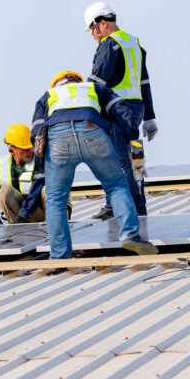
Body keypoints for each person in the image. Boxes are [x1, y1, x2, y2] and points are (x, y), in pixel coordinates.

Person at [31, 71, 158, 259]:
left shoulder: (48, 96)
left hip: (58, 137)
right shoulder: (95, 88)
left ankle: (59, 256)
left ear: (57, 84)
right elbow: (122, 114)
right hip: (92, 130)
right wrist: (135, 145)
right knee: (116, 185)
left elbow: (36, 134)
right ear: (77, 81)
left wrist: (44, 166)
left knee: (56, 198)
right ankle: (130, 235)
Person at [83, 1, 157, 219]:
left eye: (92, 30)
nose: (93, 36)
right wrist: (150, 116)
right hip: (136, 110)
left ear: (102, 24)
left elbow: (96, 83)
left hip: (116, 111)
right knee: (136, 162)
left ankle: (121, 207)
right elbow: (145, 83)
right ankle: (136, 206)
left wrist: (87, 113)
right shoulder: (134, 43)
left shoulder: (109, 44)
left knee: (118, 162)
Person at [0, 123, 46, 225]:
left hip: (44, 213)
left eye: (31, 147)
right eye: (25, 148)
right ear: (12, 151)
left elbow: (36, 191)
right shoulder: (2, 166)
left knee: (48, 189)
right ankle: (17, 229)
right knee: (4, 192)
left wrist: (24, 213)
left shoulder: (40, 161)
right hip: (21, 217)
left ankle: (56, 228)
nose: (30, 151)